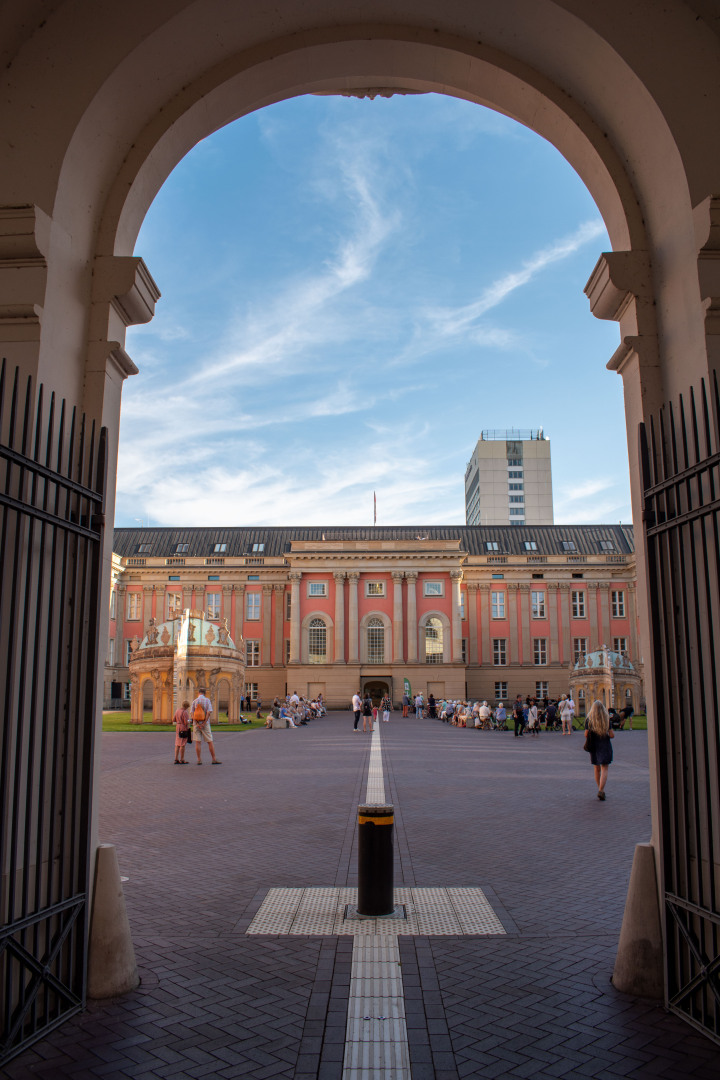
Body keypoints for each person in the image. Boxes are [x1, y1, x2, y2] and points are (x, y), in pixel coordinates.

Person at [584, 699, 614, 800]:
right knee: (604, 767)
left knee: (596, 768)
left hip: (594, 745)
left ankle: (600, 789)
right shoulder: (606, 719)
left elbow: (586, 734)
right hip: (604, 744)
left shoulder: (589, 719)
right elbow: (611, 734)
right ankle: (601, 790)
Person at [190, 687, 221, 764]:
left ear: (198, 693)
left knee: (198, 742)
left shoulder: (194, 701)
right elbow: (208, 712)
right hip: (205, 724)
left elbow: (191, 713)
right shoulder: (207, 700)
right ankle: (213, 759)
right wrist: (204, 723)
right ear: (205, 693)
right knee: (209, 741)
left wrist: (197, 723)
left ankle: (199, 759)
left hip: (196, 724)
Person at [173, 699, 191, 763]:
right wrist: (190, 721)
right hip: (183, 728)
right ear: (186, 706)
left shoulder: (177, 710)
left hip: (178, 727)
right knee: (182, 744)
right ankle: (182, 759)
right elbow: (186, 722)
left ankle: (176, 758)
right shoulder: (185, 712)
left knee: (177, 743)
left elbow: (174, 719)